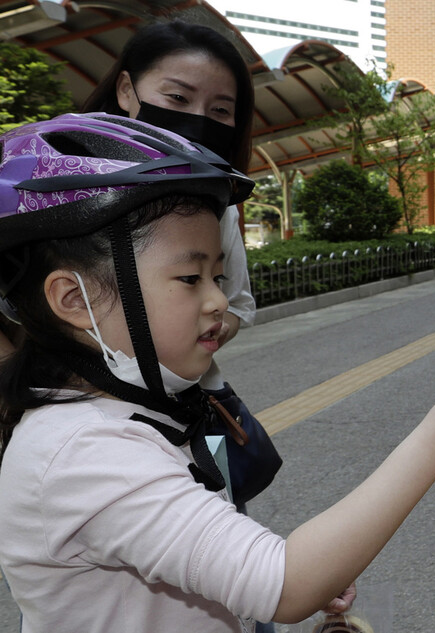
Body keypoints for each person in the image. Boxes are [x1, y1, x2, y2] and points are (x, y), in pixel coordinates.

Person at [0, 114, 435, 631]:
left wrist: (320, 564)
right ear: (73, 299)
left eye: (217, 275)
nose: (219, 299)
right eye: (190, 277)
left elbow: (225, 558)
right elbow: (283, 584)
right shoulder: (81, 452)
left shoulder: (147, 409)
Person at [82, 20, 274, 510]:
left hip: (195, 417)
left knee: (224, 528)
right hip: (97, 427)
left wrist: (197, 331)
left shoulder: (218, 203)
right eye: (178, 98)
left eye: (220, 109)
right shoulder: (62, 188)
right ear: (127, 90)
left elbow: (237, 305)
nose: (197, 118)